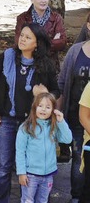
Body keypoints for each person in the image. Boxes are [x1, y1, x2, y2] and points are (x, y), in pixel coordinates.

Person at [0, 23, 59, 203]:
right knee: (3, 166)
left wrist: (43, 95)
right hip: (6, 119)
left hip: (32, 123)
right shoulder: (7, 57)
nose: (22, 39)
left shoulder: (45, 65)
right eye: (22, 35)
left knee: (29, 168)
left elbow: (56, 91)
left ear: (37, 44)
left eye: (28, 37)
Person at [15, 92, 72, 203]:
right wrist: (21, 172)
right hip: (30, 175)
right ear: (34, 107)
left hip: (48, 175)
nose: (43, 109)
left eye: (48, 107)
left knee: (43, 200)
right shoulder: (25, 128)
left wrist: (61, 121)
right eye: (40, 106)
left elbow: (67, 139)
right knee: (27, 200)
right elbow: (20, 151)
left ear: (53, 110)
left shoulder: (54, 127)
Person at [57, 25, 90, 202]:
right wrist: (56, 113)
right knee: (79, 157)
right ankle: (76, 197)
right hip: (76, 116)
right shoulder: (76, 51)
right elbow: (62, 83)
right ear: (88, 26)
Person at [15, 0, 66, 71]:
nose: (43, 1)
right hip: (28, 64)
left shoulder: (57, 18)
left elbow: (62, 43)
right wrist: (49, 42)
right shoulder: (22, 18)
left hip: (50, 66)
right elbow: (19, 42)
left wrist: (33, 43)